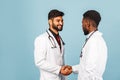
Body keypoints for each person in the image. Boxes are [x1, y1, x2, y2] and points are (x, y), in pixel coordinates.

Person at [34, 9, 72, 80]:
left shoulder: (60, 39)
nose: (61, 23)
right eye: (58, 20)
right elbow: (39, 62)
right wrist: (59, 69)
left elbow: (60, 61)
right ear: (50, 22)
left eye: (62, 20)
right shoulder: (41, 39)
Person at [72, 10, 108, 80]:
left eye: (82, 22)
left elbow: (89, 70)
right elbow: (85, 66)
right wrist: (72, 69)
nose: (82, 25)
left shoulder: (93, 42)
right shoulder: (98, 40)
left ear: (87, 23)